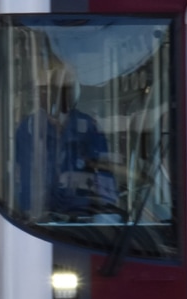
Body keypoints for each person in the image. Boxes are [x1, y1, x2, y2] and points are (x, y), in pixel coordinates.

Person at [15, 66, 114, 219]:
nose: (61, 94)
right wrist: (25, 211)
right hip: (37, 215)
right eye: (56, 89)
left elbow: (104, 168)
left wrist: (108, 208)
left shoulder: (87, 126)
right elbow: (20, 171)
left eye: (67, 89)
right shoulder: (28, 128)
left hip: (80, 213)